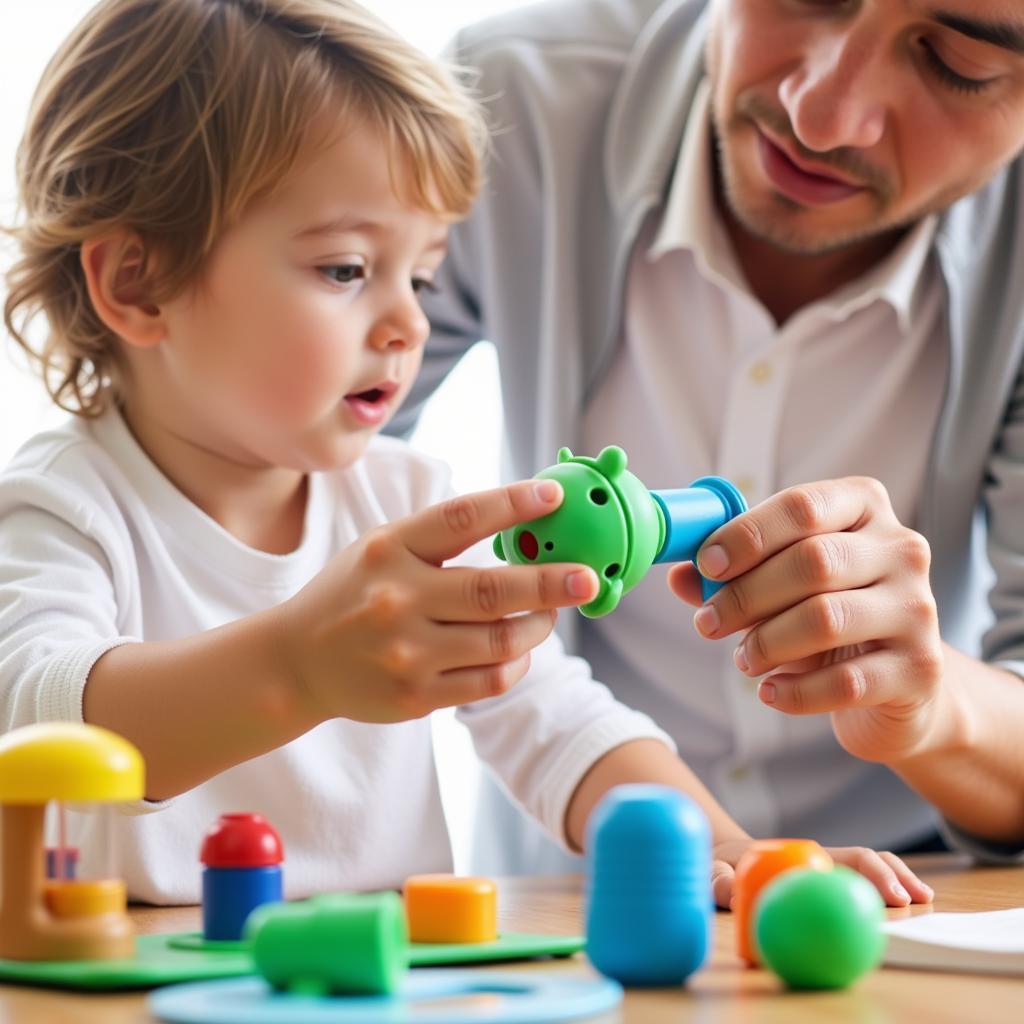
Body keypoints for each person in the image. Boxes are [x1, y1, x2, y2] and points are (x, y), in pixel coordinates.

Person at [0, 0, 931, 908]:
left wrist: (729, 850)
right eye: (346, 269)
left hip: (394, 982)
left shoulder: (401, 498)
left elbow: (556, 721)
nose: (409, 322)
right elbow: (33, 724)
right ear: (139, 282)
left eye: (424, 274)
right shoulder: (64, 506)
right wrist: (296, 668)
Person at [392, 0, 1024, 875]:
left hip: (914, 903)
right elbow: (268, 487)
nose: (821, 115)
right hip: (569, 903)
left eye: (957, 64)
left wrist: (931, 704)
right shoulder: (506, 108)